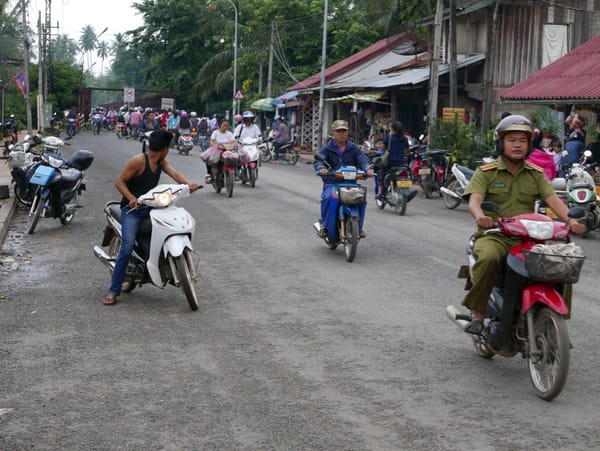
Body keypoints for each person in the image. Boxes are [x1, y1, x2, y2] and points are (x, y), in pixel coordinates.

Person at [461, 114, 585, 333]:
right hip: (495, 236)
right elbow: (475, 201)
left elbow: (553, 200)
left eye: (522, 140)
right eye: (512, 140)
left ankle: (556, 319)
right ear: (501, 143)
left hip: (528, 238)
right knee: (489, 258)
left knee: (561, 263)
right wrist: (480, 215)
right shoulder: (486, 172)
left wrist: (571, 220)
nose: (517, 145)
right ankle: (478, 314)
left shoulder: (535, 174)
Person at [102, 130, 200, 305]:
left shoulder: (161, 161)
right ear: (164, 148)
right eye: (168, 147)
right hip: (133, 210)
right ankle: (113, 290)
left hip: (153, 207)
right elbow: (119, 182)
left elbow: (175, 174)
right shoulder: (139, 161)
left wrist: (188, 185)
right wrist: (131, 198)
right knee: (127, 246)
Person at [313, 120, 374, 238]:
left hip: (351, 184)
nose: (341, 133)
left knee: (362, 199)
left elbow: (362, 159)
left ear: (347, 133)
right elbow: (319, 160)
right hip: (332, 182)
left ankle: (359, 228)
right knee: (327, 198)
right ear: (333, 133)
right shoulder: (327, 148)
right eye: (338, 131)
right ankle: (324, 226)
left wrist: (367, 169)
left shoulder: (354, 148)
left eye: (344, 131)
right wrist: (321, 168)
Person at [376, 121, 416, 200]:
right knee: (404, 176)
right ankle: (406, 190)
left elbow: (382, 148)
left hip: (390, 163)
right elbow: (407, 151)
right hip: (401, 163)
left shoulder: (389, 137)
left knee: (381, 174)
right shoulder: (404, 138)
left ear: (393, 129)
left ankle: (380, 193)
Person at [205, 118, 235, 184]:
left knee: (236, 159)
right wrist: (215, 145)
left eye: (227, 125)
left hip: (228, 151)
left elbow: (233, 141)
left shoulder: (229, 133)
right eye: (224, 125)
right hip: (217, 150)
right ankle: (210, 174)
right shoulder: (215, 132)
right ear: (220, 125)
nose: (225, 127)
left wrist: (233, 145)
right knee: (209, 159)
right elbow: (212, 141)